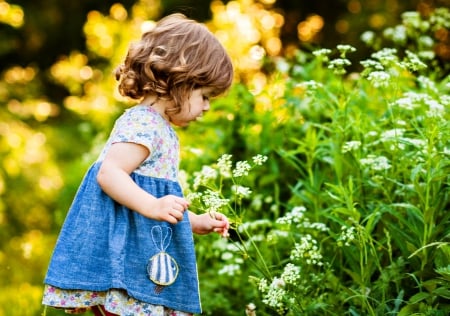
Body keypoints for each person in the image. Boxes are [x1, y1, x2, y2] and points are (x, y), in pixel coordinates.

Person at [42, 13, 233, 316]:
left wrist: (193, 221)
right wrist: (153, 207)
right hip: (123, 262)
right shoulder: (144, 123)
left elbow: (147, 191)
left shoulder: (159, 127)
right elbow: (110, 174)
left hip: (136, 258)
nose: (207, 107)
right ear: (179, 82)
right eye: (205, 95)